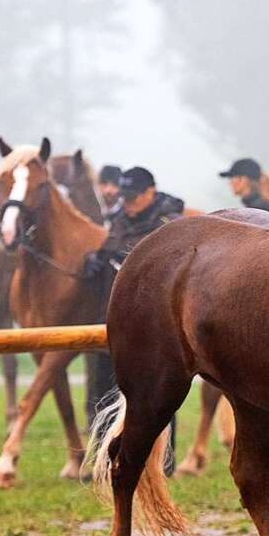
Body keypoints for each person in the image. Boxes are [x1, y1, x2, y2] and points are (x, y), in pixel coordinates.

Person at [82, 167, 185, 428]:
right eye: (123, 197)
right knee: (104, 399)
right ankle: (103, 461)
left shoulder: (172, 226)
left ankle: (164, 464)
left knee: (158, 400)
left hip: (157, 330)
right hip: (113, 325)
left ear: (151, 191)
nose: (126, 203)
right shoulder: (119, 220)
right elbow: (107, 251)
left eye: (133, 197)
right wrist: (95, 261)